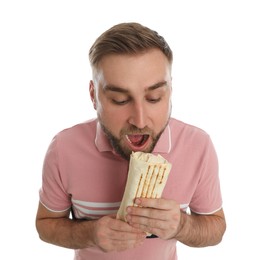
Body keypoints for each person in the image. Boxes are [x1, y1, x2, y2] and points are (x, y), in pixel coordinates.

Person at [35, 22, 226, 260]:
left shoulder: (198, 146)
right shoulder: (63, 149)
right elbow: (46, 224)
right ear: (94, 96)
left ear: (170, 91)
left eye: (154, 98)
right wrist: (90, 233)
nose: (140, 120)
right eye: (120, 100)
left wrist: (182, 226)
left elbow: (216, 227)